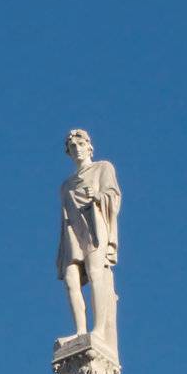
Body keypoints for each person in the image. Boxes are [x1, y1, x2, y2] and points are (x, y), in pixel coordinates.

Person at [57, 128, 122, 352]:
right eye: (72, 147)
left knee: (96, 273)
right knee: (71, 279)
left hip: (95, 225)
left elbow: (113, 195)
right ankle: (80, 330)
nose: (77, 150)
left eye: (80, 145)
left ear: (89, 146)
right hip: (72, 232)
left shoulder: (103, 168)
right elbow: (64, 216)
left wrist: (98, 196)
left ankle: (99, 329)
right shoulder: (66, 185)